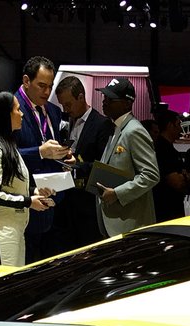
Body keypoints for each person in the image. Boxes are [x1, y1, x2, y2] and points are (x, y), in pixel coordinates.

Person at [0, 91, 54, 267]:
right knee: (2, 280)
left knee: (14, 278)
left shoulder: (7, 145)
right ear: (4, 114)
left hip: (13, 227)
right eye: (17, 109)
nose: (22, 114)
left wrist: (34, 191)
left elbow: (10, 185)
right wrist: (28, 201)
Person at [13, 56, 73, 262]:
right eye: (41, 85)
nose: (47, 92)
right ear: (26, 81)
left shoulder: (54, 111)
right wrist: (39, 152)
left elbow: (54, 149)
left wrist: (65, 156)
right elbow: (5, 156)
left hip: (55, 200)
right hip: (25, 202)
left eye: (50, 86)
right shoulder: (11, 109)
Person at [52, 75, 114, 252]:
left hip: (88, 204)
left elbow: (104, 165)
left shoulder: (102, 124)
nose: (65, 109)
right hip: (65, 203)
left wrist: (77, 165)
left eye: (68, 104)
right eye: (62, 105)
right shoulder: (63, 121)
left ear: (81, 97)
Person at [93, 76, 159, 237]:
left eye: (111, 99)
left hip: (130, 224)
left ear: (127, 103)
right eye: (104, 97)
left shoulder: (134, 131)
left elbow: (151, 175)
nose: (105, 102)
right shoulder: (117, 128)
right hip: (116, 222)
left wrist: (117, 193)